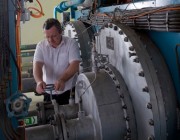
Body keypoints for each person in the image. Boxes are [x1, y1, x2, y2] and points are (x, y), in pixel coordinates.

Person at [33, 18, 81, 105]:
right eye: (47, 37)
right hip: (48, 92)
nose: (50, 40)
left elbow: (75, 64)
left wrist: (62, 80)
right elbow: (37, 65)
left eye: (54, 36)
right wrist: (39, 81)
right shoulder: (41, 46)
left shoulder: (71, 43)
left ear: (61, 32)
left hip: (69, 92)